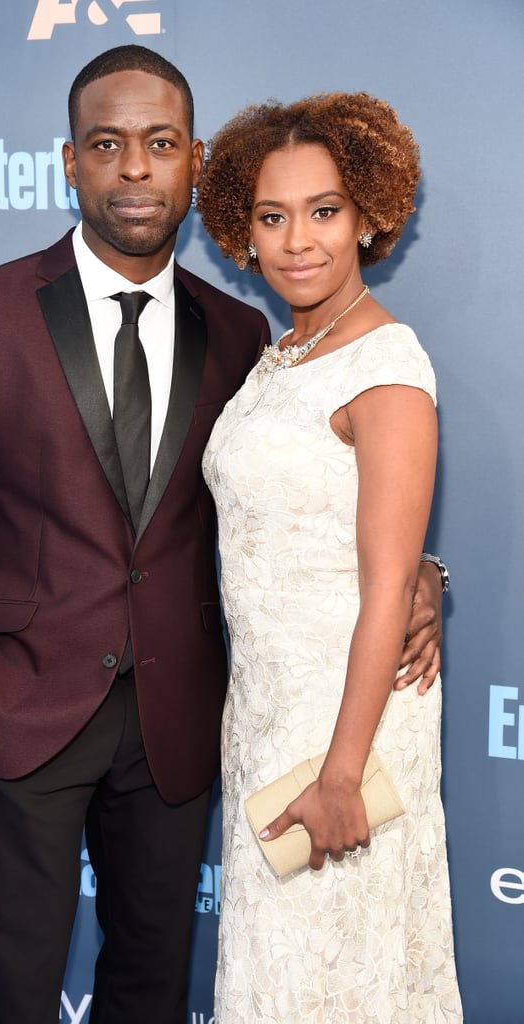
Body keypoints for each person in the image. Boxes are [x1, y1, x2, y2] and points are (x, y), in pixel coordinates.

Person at [0, 46, 445, 1024]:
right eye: (107, 144)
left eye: (161, 144)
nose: (135, 167)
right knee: (11, 997)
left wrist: (416, 573)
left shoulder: (242, 335)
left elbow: (302, 490)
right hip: (21, 714)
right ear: (69, 164)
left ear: (193, 163)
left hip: (180, 725)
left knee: (151, 990)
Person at [197, 93, 462, 1022]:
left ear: (368, 217)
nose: (296, 241)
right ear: (243, 227)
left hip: (346, 731)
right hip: (267, 716)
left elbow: (390, 579)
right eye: (272, 217)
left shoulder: (386, 365)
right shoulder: (285, 353)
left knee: (339, 981)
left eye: (324, 211)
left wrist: (344, 771)